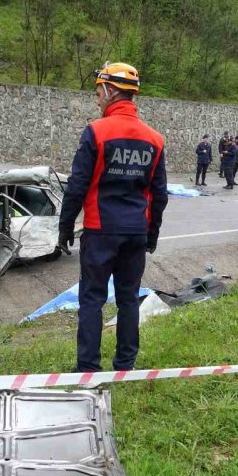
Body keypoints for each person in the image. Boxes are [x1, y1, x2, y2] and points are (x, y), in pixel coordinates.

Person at [57, 62, 168, 374]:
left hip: (100, 229)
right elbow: (159, 194)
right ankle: (125, 366)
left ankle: (87, 368)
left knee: (92, 299)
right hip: (135, 231)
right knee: (129, 299)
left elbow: (77, 184)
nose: (97, 99)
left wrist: (65, 225)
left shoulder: (96, 131)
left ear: (109, 90)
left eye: (98, 92)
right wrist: (152, 233)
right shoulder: (155, 139)